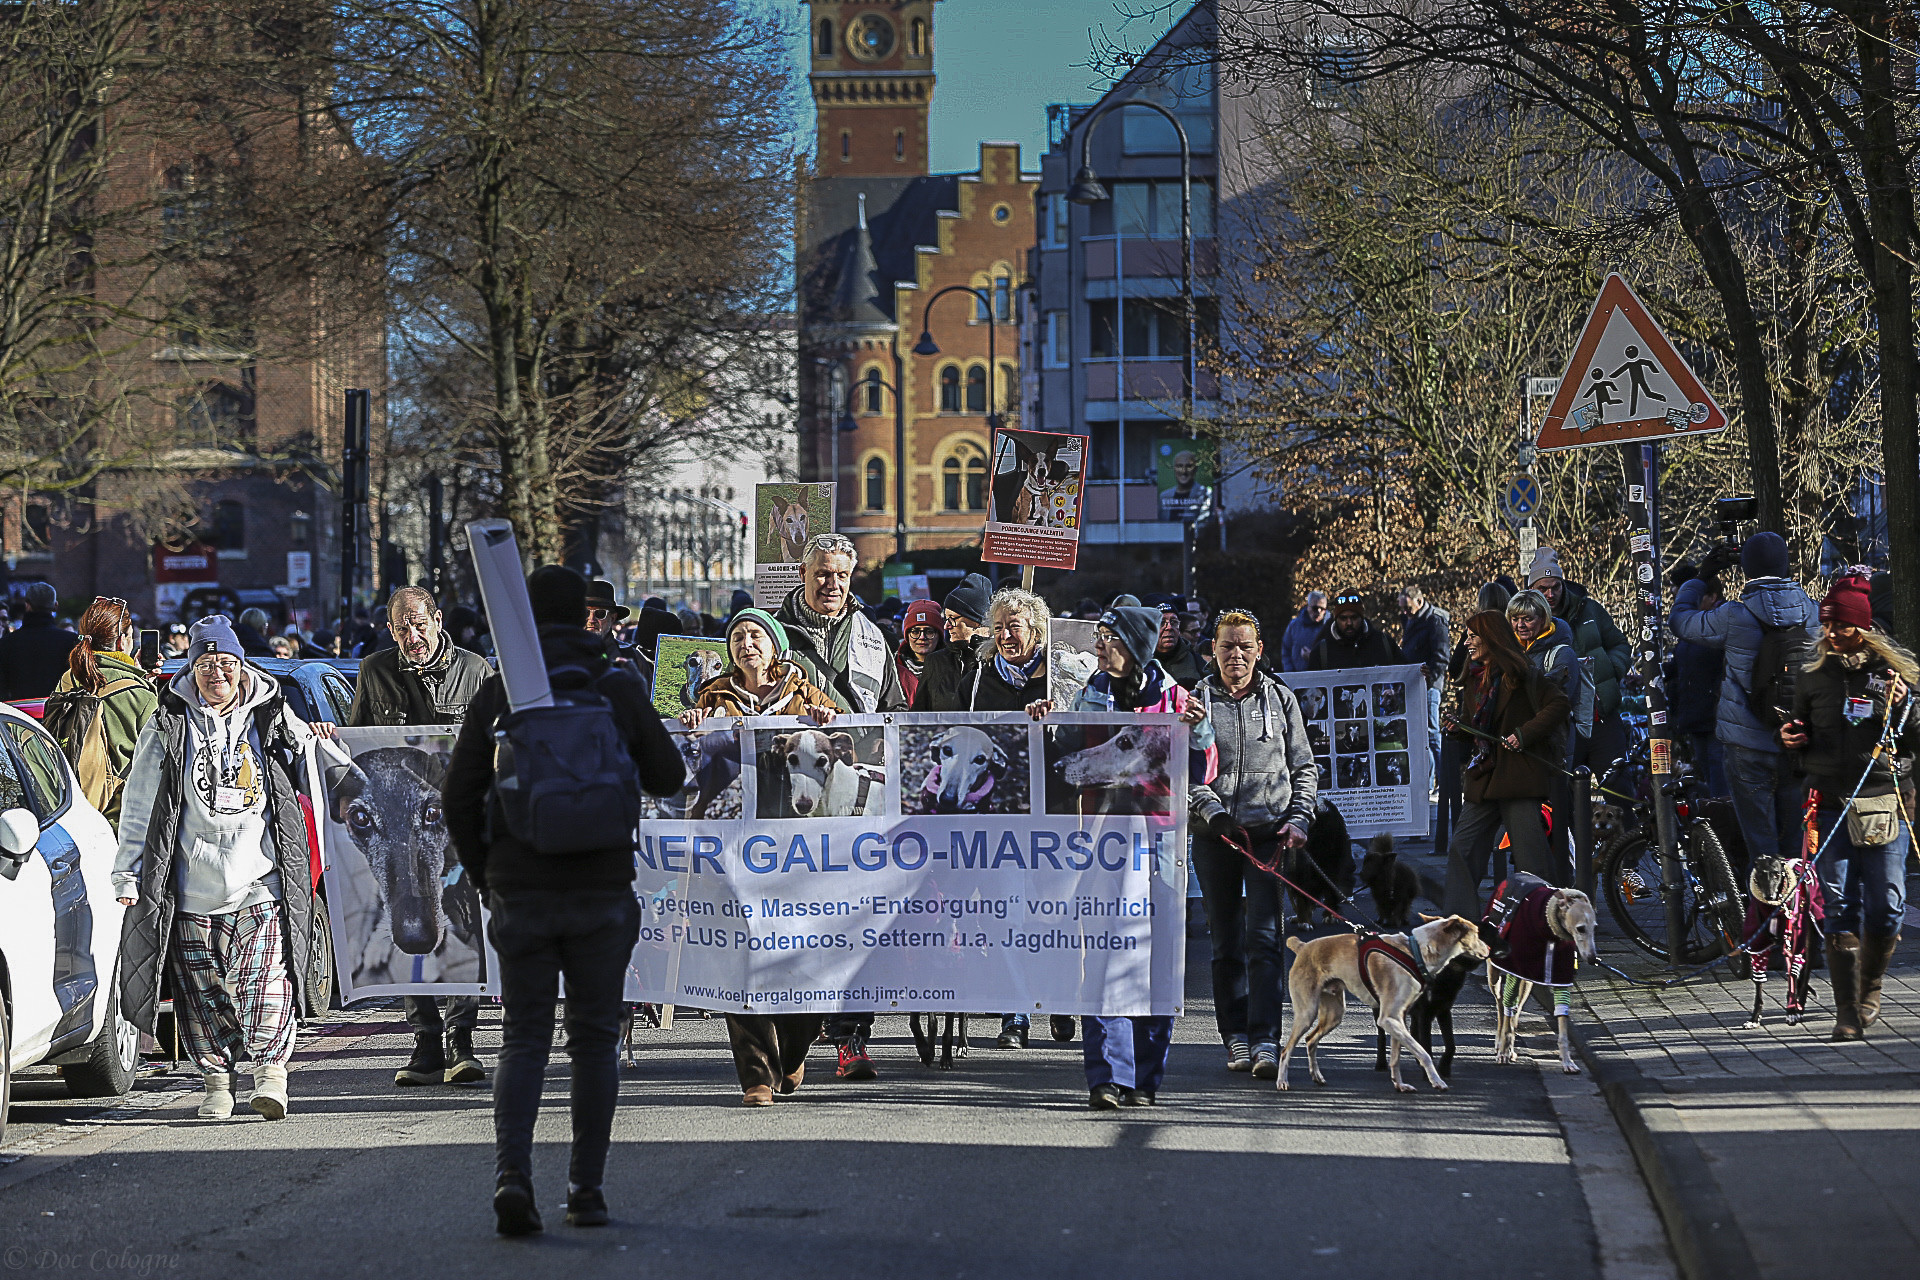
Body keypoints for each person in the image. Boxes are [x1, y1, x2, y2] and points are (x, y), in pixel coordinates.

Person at [442, 566, 685, 1235]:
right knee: (594, 1041)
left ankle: (513, 1177)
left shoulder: (501, 692)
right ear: (585, 616)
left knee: (523, 1040)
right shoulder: (615, 683)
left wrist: (488, 876)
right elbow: (669, 776)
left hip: (521, 886)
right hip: (601, 886)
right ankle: (586, 1190)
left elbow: (457, 798)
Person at [112, 616, 323, 1123]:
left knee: (265, 983)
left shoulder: (271, 714)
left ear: (241, 666)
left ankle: (271, 1076)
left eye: (225, 662)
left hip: (259, 880)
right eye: (205, 664)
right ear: (192, 670)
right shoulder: (168, 724)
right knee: (201, 994)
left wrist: (319, 737)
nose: (216, 673)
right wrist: (128, 873)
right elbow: (139, 804)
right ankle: (218, 1084)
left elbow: (321, 767)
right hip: (191, 887)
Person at [1034, 604, 1213, 1108]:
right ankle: (1107, 1076)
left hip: (1161, 846)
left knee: (1157, 961)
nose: (1098, 646)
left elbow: (1203, 770)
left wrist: (1199, 730)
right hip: (1104, 843)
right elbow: (1066, 754)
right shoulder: (1090, 691)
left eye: (1109, 638)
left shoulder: (1177, 699)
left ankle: (1145, 1078)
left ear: (1134, 646)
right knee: (1105, 953)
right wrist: (1047, 722)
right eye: (1098, 636)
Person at [678, 608, 837, 1103]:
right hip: (734, 847)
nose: (746, 643)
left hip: (798, 851)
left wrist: (829, 720)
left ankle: (793, 1048)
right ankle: (756, 1075)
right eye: (738, 637)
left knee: (802, 951)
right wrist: (693, 725)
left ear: (776, 646)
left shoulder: (806, 693)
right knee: (737, 954)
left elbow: (845, 730)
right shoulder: (713, 696)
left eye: (756, 636)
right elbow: (695, 758)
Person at [347, 586, 495, 1087]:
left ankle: (461, 1040)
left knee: (464, 922)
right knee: (407, 916)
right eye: (401, 628)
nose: (412, 635)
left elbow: (500, 739)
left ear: (437, 620)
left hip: (462, 821)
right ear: (390, 631)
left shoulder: (474, 670)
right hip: (400, 826)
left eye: (418, 623)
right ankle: (426, 1041)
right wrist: (327, 738)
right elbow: (358, 747)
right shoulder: (375, 671)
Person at [1779, 575, 1918, 1041]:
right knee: (1838, 904)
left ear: (1863, 626)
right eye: (1827, 624)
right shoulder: (1812, 673)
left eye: (1841, 625)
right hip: (1827, 802)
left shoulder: (1892, 674)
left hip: (1883, 801)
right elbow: (1797, 732)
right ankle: (1847, 1012)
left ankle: (1870, 987)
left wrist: (1907, 706)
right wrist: (1790, 738)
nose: (1832, 633)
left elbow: (1915, 737)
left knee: (1888, 907)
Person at [1188, 610, 1315, 1079]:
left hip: (1268, 838)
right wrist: (1212, 812)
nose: (1236, 655)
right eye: (1227, 646)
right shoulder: (1194, 701)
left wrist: (1299, 818)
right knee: (1225, 942)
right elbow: (1182, 768)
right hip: (1215, 836)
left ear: (1259, 650)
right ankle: (1235, 1037)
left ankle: (1265, 1039)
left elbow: (1304, 767)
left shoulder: (1281, 698)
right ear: (1213, 650)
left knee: (1264, 940)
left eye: (1245, 646)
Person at [1670, 532, 1820, 868]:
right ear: (1786, 566)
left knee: (1761, 847)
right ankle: (1795, 900)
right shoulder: (1812, 612)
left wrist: (1700, 578)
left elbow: (1680, 622)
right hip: (1797, 741)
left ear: (1747, 569)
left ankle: (1764, 899)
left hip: (1746, 744)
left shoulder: (1734, 615)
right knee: (1795, 850)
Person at [1441, 611, 1570, 915]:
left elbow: (1559, 704)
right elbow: (1476, 724)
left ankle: (1547, 918)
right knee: (1462, 848)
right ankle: (1459, 922)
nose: (1467, 642)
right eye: (1467, 636)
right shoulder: (1473, 678)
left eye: (1473, 636)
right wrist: (1459, 728)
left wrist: (1524, 734)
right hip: (1484, 777)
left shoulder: (1522, 674)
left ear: (1491, 639)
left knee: (1531, 859)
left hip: (1518, 778)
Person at [46, 597, 159, 827]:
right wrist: (140, 682)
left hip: (66, 814)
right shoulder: (141, 696)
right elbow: (159, 765)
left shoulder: (68, 680)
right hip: (118, 823)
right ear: (122, 641)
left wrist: (135, 674)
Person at [775, 533, 908, 718]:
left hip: (857, 738)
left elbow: (894, 708)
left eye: (842, 575)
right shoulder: (772, 634)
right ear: (803, 573)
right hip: (794, 736)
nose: (833, 585)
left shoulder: (873, 636)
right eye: (824, 574)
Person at [1525, 547, 1631, 768]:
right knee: (1563, 786)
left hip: (1601, 715)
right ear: (1531, 588)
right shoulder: (1524, 621)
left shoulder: (1589, 609)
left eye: (1556, 587)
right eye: (1543, 589)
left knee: (1617, 781)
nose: (1550, 594)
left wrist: (1610, 670)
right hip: (1558, 722)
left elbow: (1619, 643)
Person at [1666, 569, 1728, 794]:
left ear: (1711, 597)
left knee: (1720, 777)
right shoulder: (1694, 627)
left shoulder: (1720, 624)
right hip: (1698, 715)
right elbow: (1683, 665)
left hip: (1716, 716)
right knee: (1710, 773)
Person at [910, 573, 992, 711]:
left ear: (976, 620)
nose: (946, 626)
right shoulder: (936, 662)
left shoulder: (1000, 660)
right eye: (946, 619)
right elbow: (918, 715)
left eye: (952, 618)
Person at [1398, 585, 1452, 784]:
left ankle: (1443, 781)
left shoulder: (1435, 621)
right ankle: (1428, 782)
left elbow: (1441, 656)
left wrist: (1429, 681)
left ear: (1419, 602)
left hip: (1428, 686)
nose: (1405, 613)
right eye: (1402, 609)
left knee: (1431, 733)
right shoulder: (1411, 619)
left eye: (1407, 608)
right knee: (1420, 735)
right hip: (1413, 684)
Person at [0, 581, 80, 699]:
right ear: (55, 606)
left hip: (18, 709)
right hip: (59, 709)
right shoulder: (72, 642)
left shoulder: (6, 644)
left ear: (27, 605)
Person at [1307, 588, 1402, 670]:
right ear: (1336, 620)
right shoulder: (1322, 652)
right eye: (1343, 618)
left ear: (1362, 618)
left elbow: (1406, 675)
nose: (1349, 623)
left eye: (1354, 617)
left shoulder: (1383, 644)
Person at [584, 579, 650, 685]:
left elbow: (646, 693)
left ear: (612, 618)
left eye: (600, 613)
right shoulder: (562, 654)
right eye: (585, 613)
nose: (591, 620)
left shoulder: (632, 657)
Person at [894, 599, 943, 706]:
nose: (922, 637)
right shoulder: (892, 668)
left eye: (929, 631)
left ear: (939, 635)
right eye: (915, 632)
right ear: (907, 636)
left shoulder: (954, 667)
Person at [1153, 603, 1204, 689]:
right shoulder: (1141, 662)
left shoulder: (1196, 661)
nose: (1169, 627)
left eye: (1174, 622)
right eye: (1161, 622)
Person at [1280, 590, 1329, 673]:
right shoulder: (1294, 625)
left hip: (1323, 676)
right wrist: (1290, 672)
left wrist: (1313, 658)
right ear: (1308, 607)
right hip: (1298, 676)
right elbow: (1286, 649)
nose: (1319, 612)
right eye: (1315, 608)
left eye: (1322, 609)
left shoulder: (1331, 628)